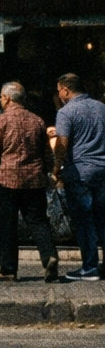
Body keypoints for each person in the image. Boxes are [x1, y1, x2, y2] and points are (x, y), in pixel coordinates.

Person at [0, 82, 59, 282]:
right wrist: (50, 174)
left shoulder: (0, 121)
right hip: (34, 180)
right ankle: (49, 255)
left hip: (6, 179)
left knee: (7, 224)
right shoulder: (37, 121)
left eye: (1, 97)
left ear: (7, 98)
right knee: (38, 220)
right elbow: (46, 154)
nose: (0, 100)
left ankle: (8, 269)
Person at [54, 74, 105, 282]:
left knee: (84, 222)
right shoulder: (102, 108)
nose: (58, 94)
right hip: (103, 170)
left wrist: (56, 169)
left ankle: (90, 267)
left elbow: (62, 144)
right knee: (103, 220)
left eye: (59, 90)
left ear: (66, 90)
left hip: (80, 172)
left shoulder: (66, 112)